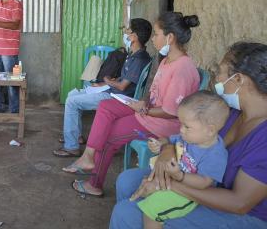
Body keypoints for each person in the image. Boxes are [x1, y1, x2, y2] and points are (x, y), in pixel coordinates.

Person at [110, 42, 267, 228]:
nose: (218, 78)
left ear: (239, 79)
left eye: (222, 71)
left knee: (126, 213)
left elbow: (239, 203)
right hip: (199, 181)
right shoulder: (231, 113)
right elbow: (187, 138)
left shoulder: (262, 136)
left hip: (244, 215)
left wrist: (169, 185)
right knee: (127, 181)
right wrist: (167, 150)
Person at [65, 12, 201, 197]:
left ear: (169, 37)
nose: (153, 39)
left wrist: (145, 109)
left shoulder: (183, 68)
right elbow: (153, 93)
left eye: (156, 34)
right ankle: (88, 156)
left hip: (161, 124)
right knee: (106, 106)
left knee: (108, 138)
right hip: (148, 112)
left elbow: (171, 112)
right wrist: (144, 101)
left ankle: (94, 184)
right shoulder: (166, 61)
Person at [53, 18, 152, 157]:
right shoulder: (133, 55)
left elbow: (123, 86)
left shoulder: (139, 59)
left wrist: (107, 80)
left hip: (117, 98)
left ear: (134, 37)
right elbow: (123, 79)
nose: (125, 32)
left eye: (128, 31)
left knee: (71, 102)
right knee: (72, 95)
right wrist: (103, 84)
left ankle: (71, 147)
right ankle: (76, 136)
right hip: (111, 91)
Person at [139, 91, 229, 228]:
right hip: (174, 180)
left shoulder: (215, 154)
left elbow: (204, 182)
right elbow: (167, 140)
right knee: (144, 187)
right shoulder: (187, 137)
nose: (181, 130)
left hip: (190, 194)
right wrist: (159, 144)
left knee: (151, 208)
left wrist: (179, 176)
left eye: (187, 126)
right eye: (181, 124)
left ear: (210, 130)